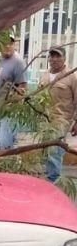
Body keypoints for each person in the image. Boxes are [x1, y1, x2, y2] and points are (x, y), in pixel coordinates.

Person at [39, 46, 77, 182]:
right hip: (45, 118)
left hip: (62, 119)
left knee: (54, 151)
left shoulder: (72, 77)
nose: (54, 59)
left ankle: (53, 181)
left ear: (64, 58)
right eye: (52, 56)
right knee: (46, 149)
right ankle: (50, 177)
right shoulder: (45, 75)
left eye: (57, 56)